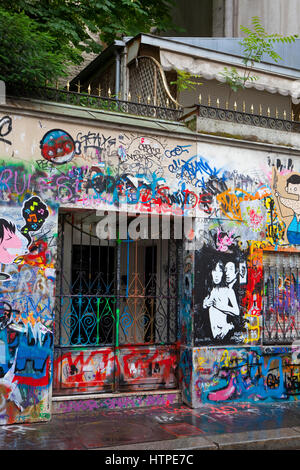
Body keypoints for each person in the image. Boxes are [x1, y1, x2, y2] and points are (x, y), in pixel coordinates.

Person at [203, 259, 240, 340]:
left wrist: (222, 306)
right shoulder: (210, 290)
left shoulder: (228, 290)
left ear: (223, 273)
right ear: (210, 272)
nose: (216, 275)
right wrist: (205, 304)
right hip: (211, 335)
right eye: (214, 271)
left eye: (220, 271)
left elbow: (237, 312)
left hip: (224, 333)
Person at [275, 174, 300, 245]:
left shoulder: (296, 203)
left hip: (292, 231)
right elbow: (288, 202)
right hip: (292, 231)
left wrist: (279, 197)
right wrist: (279, 197)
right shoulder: (295, 203)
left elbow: (288, 202)